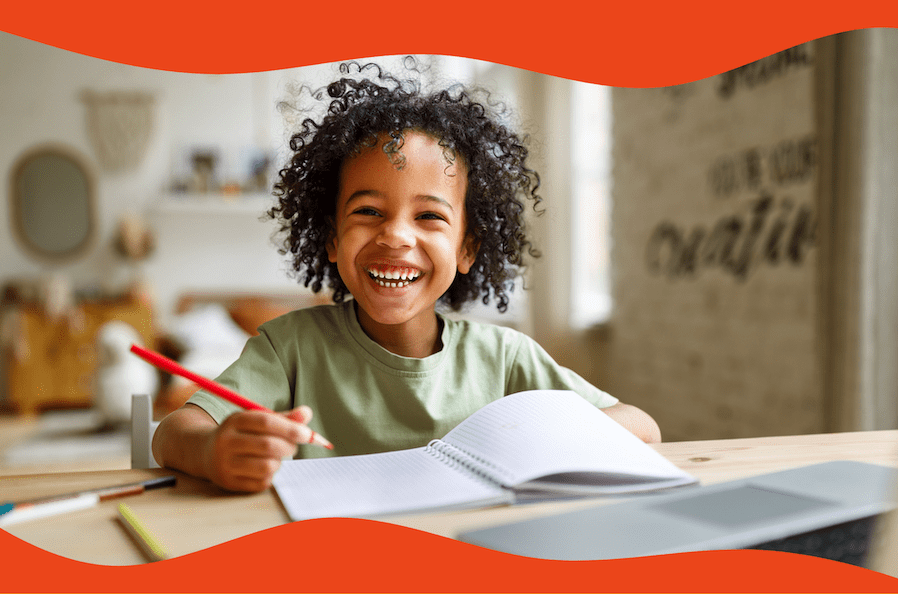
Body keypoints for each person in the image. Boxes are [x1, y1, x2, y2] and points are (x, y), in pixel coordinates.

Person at [152, 60, 661, 493]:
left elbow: (643, 428)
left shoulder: (506, 358)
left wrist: (540, 439)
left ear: (467, 248)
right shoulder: (290, 348)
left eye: (429, 217)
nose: (396, 236)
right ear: (332, 239)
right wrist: (213, 449)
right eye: (369, 211)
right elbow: (174, 431)